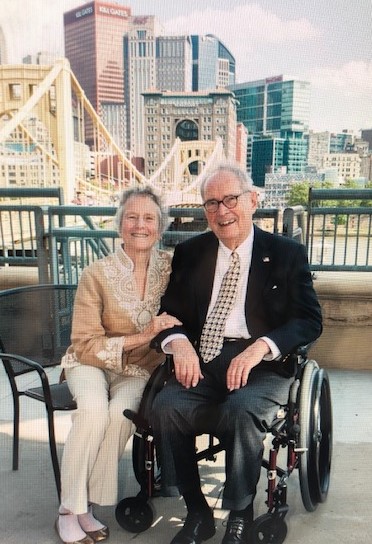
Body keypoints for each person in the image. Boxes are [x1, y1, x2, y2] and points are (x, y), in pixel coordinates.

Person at [150, 163, 322, 544]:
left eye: (231, 199)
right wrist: (179, 344)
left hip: (262, 363)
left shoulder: (286, 253)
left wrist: (263, 346)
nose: (222, 211)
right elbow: (170, 313)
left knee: (241, 412)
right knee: (165, 407)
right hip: (203, 357)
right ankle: (197, 513)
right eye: (212, 203)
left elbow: (309, 320)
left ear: (253, 201)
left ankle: (240, 513)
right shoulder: (191, 252)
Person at [55, 186, 181, 544]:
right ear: (119, 224)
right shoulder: (95, 273)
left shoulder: (172, 268)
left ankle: (87, 505)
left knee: (119, 415)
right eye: (131, 217)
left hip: (140, 368)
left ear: (160, 227)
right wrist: (144, 336)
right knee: (93, 412)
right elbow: (84, 342)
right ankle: (69, 508)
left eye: (149, 218)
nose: (140, 225)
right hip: (89, 362)